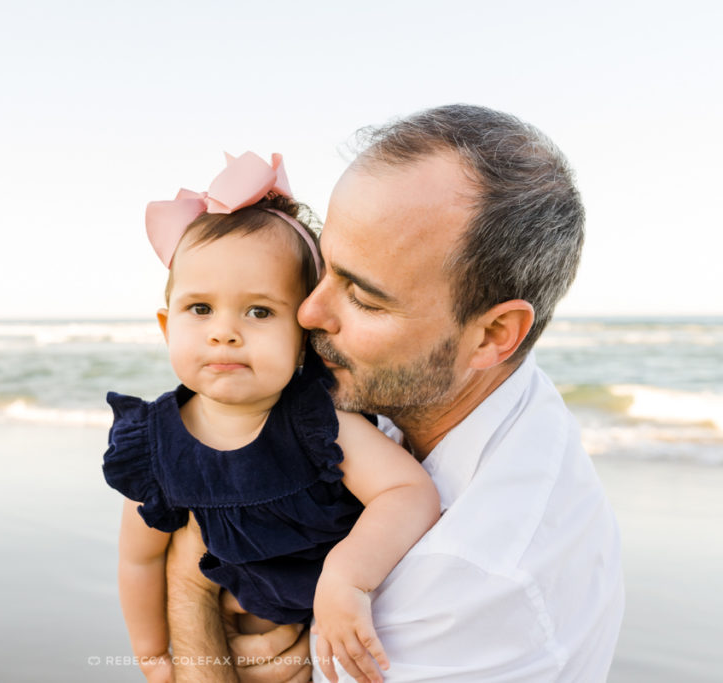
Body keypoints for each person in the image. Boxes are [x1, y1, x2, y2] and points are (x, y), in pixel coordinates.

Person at [165, 106, 625, 683]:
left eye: (365, 298)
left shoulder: (475, 579)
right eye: (324, 268)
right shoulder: (436, 390)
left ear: (493, 335)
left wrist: (190, 582)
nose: (310, 311)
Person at [103, 152, 440, 683]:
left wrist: (347, 579)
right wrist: (152, 655)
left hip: (326, 639)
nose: (224, 332)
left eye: (259, 311)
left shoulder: (316, 424)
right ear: (168, 328)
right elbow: (139, 560)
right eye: (200, 309)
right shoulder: (152, 447)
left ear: (303, 334)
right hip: (224, 645)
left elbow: (409, 493)